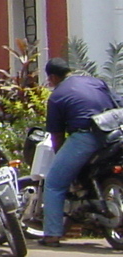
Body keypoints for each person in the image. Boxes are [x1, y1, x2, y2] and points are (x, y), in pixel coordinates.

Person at [39, 58, 118, 246]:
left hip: (86, 137)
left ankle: (52, 235)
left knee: (54, 184)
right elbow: (118, 102)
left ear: (53, 77)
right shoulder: (95, 81)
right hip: (115, 131)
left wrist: (60, 156)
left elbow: (57, 135)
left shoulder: (57, 96)